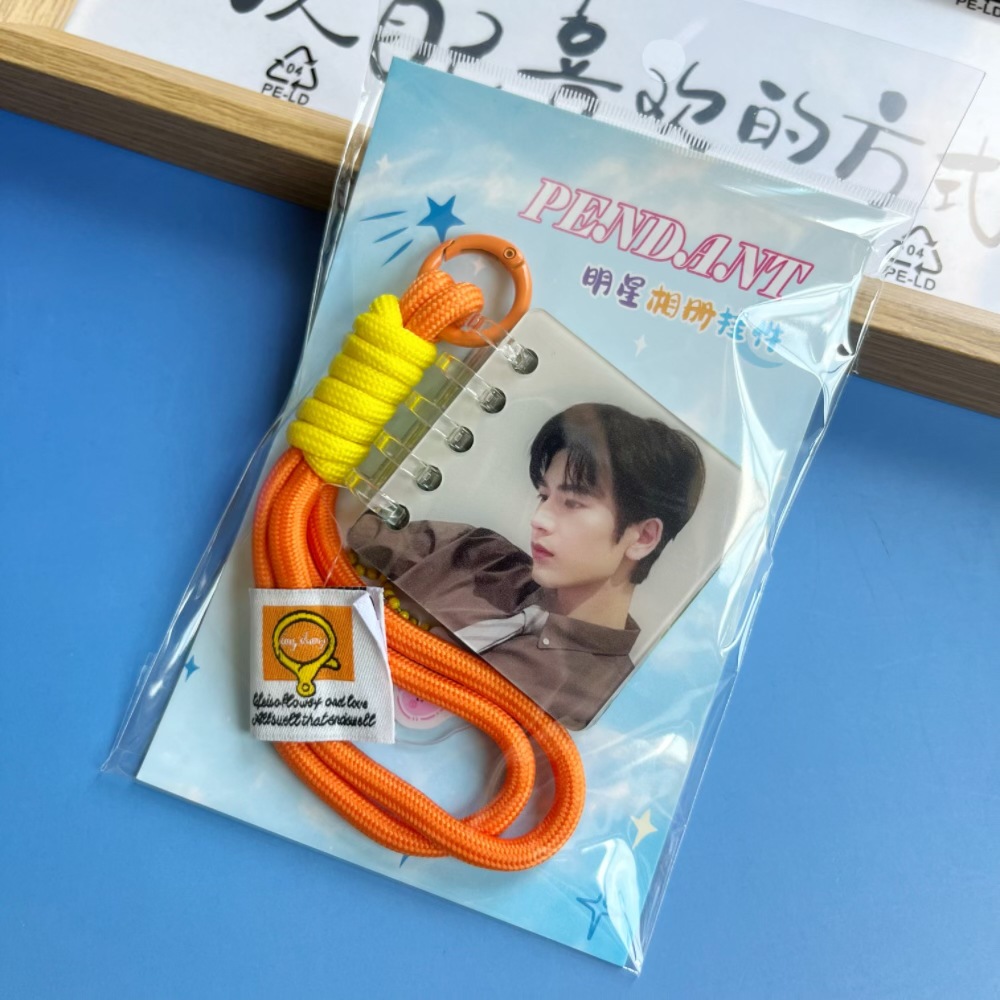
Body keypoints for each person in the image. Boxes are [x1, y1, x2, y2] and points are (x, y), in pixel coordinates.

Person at [347, 402, 705, 729]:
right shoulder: (475, 556)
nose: (539, 519)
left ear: (643, 537)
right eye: (544, 496)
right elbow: (338, 529)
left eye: (573, 503)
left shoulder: (608, 702)